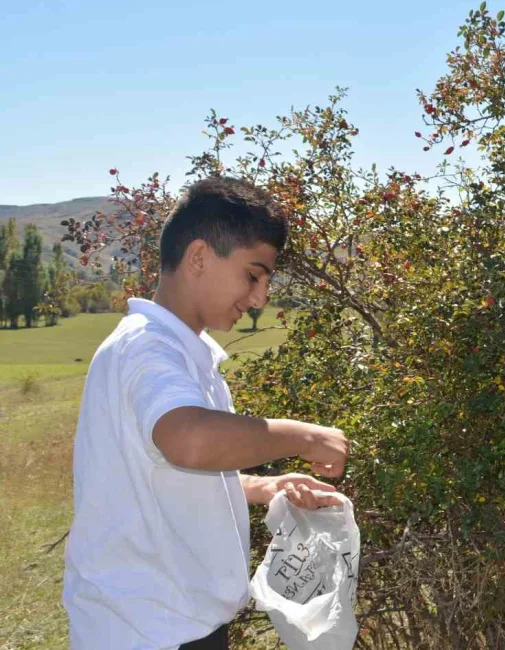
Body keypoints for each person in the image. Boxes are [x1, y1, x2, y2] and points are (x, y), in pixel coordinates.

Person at [63, 177, 351, 649]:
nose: (259, 298)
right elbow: (189, 441)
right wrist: (304, 436)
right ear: (198, 257)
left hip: (173, 626)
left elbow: (171, 475)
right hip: (148, 633)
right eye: (253, 275)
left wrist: (266, 487)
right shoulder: (147, 350)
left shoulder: (182, 354)